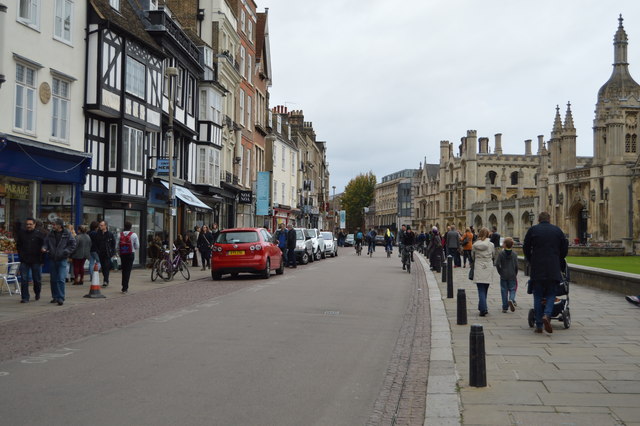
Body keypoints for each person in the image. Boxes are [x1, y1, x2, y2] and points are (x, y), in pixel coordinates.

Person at [523, 211, 568, 334]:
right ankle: (547, 315)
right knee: (551, 294)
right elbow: (564, 248)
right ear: (549, 219)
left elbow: (526, 247)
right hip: (553, 267)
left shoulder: (533, 230)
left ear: (538, 219)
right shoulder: (557, 231)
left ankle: (538, 325)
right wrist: (558, 259)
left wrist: (531, 259)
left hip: (537, 268)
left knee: (537, 296)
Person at [43, 219, 77, 305]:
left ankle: (61, 297)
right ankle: (55, 297)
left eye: (54, 225)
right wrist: (45, 248)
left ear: (59, 225)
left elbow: (73, 244)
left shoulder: (67, 233)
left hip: (62, 259)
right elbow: (45, 243)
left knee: (61, 278)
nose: (53, 226)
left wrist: (66, 251)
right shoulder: (50, 234)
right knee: (53, 279)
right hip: (52, 258)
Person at [16, 217, 45, 303]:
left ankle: (37, 292)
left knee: (36, 279)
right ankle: (25, 297)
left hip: (36, 260)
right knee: (24, 279)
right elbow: (18, 245)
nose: (28, 226)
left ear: (34, 225)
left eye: (30, 224)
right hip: (24, 260)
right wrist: (21, 255)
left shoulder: (39, 234)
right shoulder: (22, 234)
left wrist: (42, 260)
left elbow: (44, 247)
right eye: (27, 224)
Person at [472, 227, 495, 316]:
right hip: (488, 266)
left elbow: (472, 256)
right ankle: (483, 307)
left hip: (479, 265)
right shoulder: (491, 245)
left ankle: (482, 307)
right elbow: (493, 255)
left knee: (480, 289)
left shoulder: (475, 244)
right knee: (485, 288)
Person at [496, 237, 519, 313]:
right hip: (512, 274)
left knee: (504, 291)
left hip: (503, 274)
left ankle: (505, 307)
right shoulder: (515, 254)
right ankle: (511, 300)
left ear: (505, 245)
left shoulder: (501, 253)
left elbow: (497, 264)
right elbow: (516, 266)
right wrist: (515, 273)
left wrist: (500, 272)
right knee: (512, 289)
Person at [117, 221, 139, 294]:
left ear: (124, 226)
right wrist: (133, 248)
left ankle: (123, 286)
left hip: (123, 253)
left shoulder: (119, 235)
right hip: (130, 253)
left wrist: (119, 251)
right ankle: (125, 287)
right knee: (128, 270)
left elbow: (117, 246)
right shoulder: (134, 235)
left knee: (123, 269)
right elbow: (137, 246)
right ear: (131, 227)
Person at [95, 221, 116, 287]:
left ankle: (105, 280)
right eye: (100, 225)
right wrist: (97, 251)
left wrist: (112, 252)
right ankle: (106, 279)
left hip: (107, 253)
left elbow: (113, 243)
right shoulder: (98, 234)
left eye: (101, 225)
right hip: (100, 253)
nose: (100, 226)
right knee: (103, 267)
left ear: (105, 226)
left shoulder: (110, 234)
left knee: (106, 266)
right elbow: (96, 243)